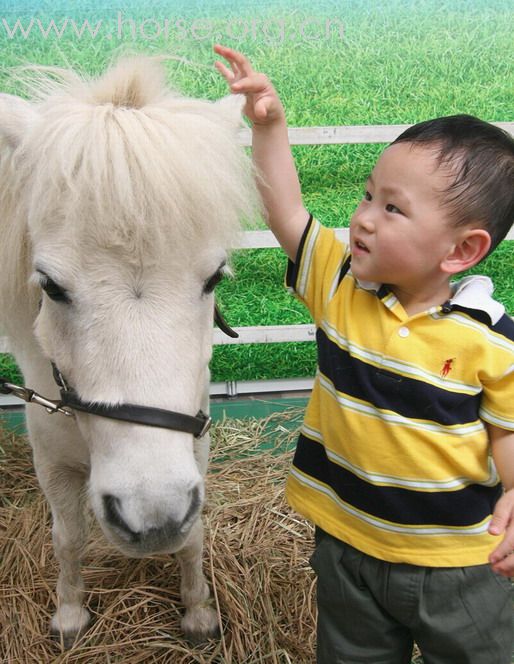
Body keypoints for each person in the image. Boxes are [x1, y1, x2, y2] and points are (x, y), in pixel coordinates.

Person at [214, 44, 514, 663]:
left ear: (461, 251)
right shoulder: (340, 284)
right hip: (348, 547)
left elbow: (507, 432)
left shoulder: (490, 339)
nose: (364, 220)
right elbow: (288, 213)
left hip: (459, 565)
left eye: (393, 208)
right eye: (368, 196)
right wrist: (269, 127)